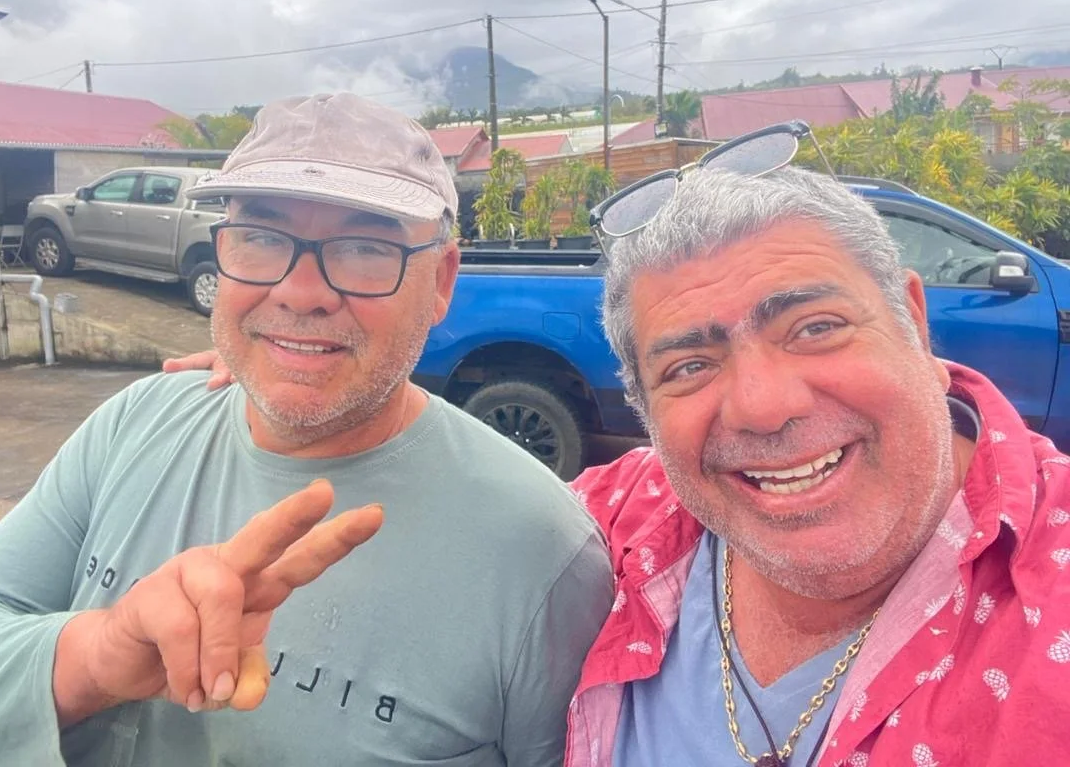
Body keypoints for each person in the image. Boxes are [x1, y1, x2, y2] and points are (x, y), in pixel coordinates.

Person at [176, 123, 1070, 766]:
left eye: (815, 328)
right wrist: (297, 375)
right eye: (689, 366)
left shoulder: (1051, 591)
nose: (760, 406)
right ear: (643, 404)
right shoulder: (621, 528)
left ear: (912, 319)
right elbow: (456, 500)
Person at [0, 92, 613, 767]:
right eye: (260, 235)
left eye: (364, 249)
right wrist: (99, 652)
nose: (300, 290)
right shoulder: (140, 423)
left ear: (443, 279)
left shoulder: (540, 554)